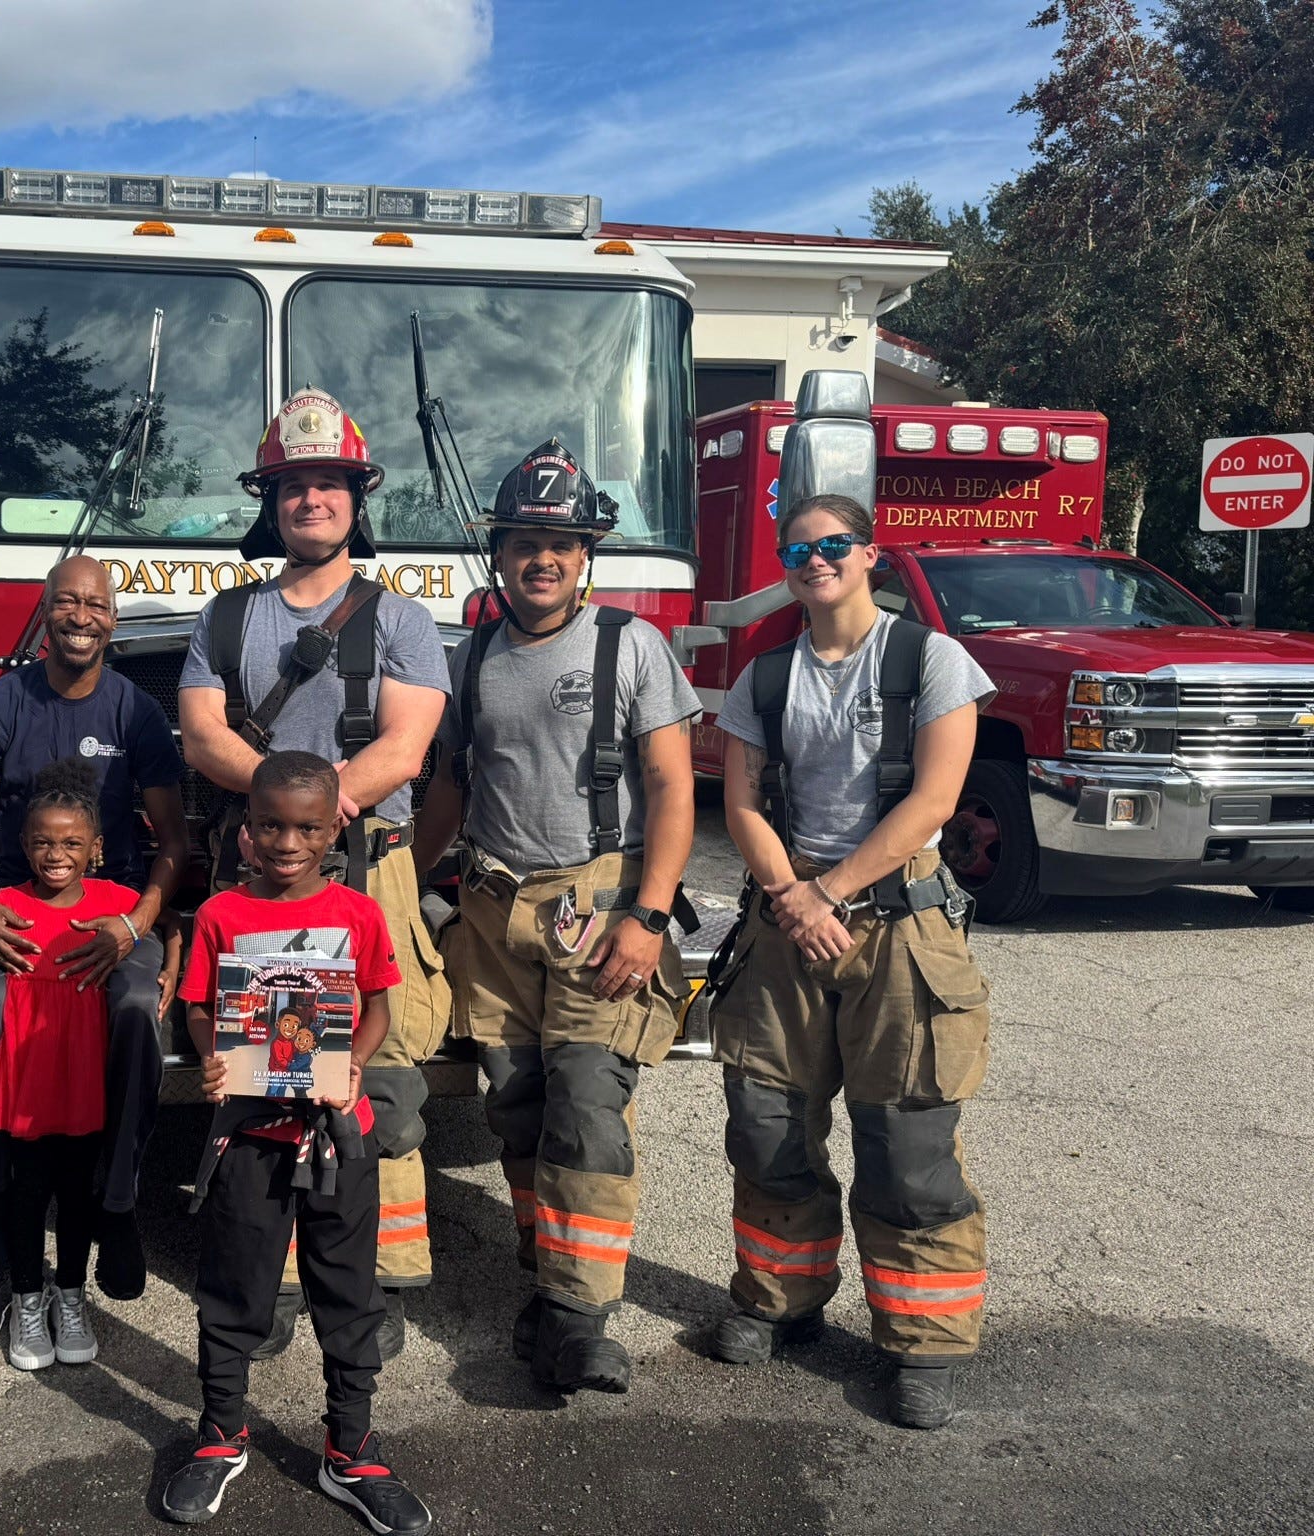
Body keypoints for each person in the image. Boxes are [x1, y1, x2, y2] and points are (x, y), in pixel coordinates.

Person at [415, 439, 700, 1394]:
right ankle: (549, 1284)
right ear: (499, 553)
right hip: (495, 919)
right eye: (525, 540)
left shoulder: (632, 646)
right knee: (520, 1111)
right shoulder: (476, 657)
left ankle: (581, 1321)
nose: (542, 557)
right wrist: (391, 895)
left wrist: (650, 918)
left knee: (587, 1105)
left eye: (561, 542)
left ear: (587, 558)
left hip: (600, 907)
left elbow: (670, 788)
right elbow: (451, 794)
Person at [707, 491, 995, 1430]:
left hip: (897, 929)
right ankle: (780, 1303)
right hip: (789, 924)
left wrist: (831, 895)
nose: (815, 561)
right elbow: (743, 805)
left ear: (869, 554)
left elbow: (935, 801)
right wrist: (795, 897)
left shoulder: (930, 660)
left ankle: (922, 1345)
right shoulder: (765, 673)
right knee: (768, 1129)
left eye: (833, 546)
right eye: (798, 550)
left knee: (907, 1149)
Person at [177, 389, 451, 1362]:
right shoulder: (227, 616)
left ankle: (376, 1271)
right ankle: (280, 1272)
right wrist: (280, 814)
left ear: (354, 498)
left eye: (328, 482)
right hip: (260, 878)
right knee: (268, 1067)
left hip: (365, 870)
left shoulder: (402, 621)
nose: (311, 500)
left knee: (376, 1071)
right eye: (294, 485)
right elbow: (202, 732)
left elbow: (408, 743)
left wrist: (306, 808)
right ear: (271, 500)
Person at [159, 752, 431, 1534]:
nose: (287, 841)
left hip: (339, 1135)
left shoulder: (358, 913)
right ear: (245, 832)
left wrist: (353, 1069)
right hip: (249, 1135)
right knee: (234, 1289)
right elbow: (203, 1008)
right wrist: (213, 1056)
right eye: (270, 824)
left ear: (332, 830)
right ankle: (220, 1436)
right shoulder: (221, 915)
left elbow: (377, 1006)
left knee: (348, 1296)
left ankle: (351, 1451)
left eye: (307, 827)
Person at [0, 555, 189, 1303]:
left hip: (113, 915)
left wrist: (134, 925)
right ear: (45, 612)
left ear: (113, 619)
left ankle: (116, 1205)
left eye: (96, 604)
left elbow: (175, 842)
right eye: (67, 602)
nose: (82, 616)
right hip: (15, 913)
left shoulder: (135, 714)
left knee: (130, 1014)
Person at [0, 759, 174, 1372]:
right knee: (27, 1188)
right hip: (26, 1075)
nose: (55, 854)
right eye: (42, 842)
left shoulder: (116, 903)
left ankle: (70, 1295)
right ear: (22, 844)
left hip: (83, 1077)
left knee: (75, 1191)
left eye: (71, 843)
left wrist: (171, 968)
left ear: (96, 849)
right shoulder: (4, 903)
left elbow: (171, 925)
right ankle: (25, 1296)